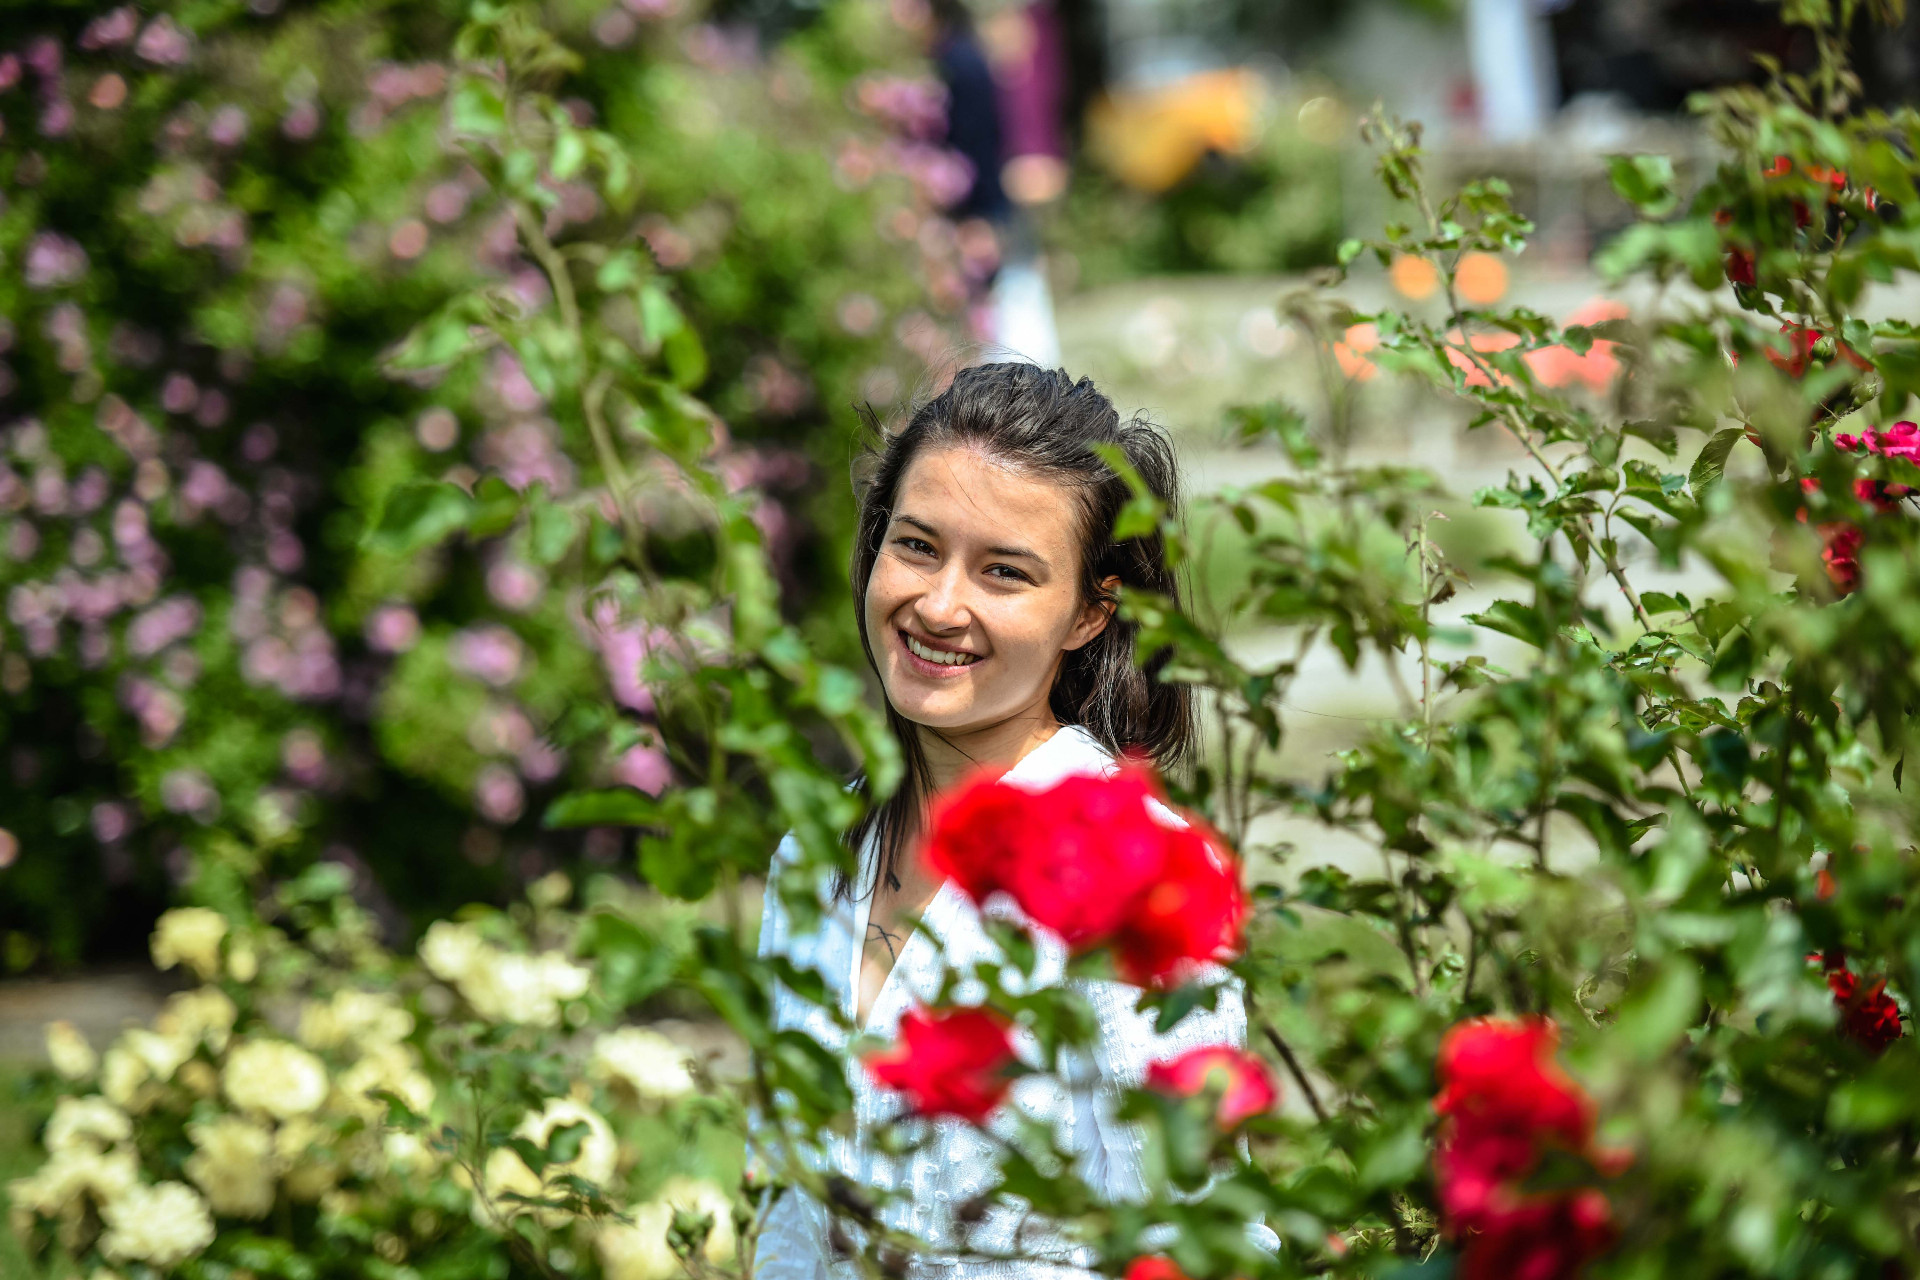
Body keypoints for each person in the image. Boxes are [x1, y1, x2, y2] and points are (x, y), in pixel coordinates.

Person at [753, 362, 1247, 1280]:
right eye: (916, 546)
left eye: (1005, 572)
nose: (940, 606)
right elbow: (789, 1219)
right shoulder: (814, 859)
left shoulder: (1134, 873)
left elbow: (1197, 1237)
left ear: (1091, 612)